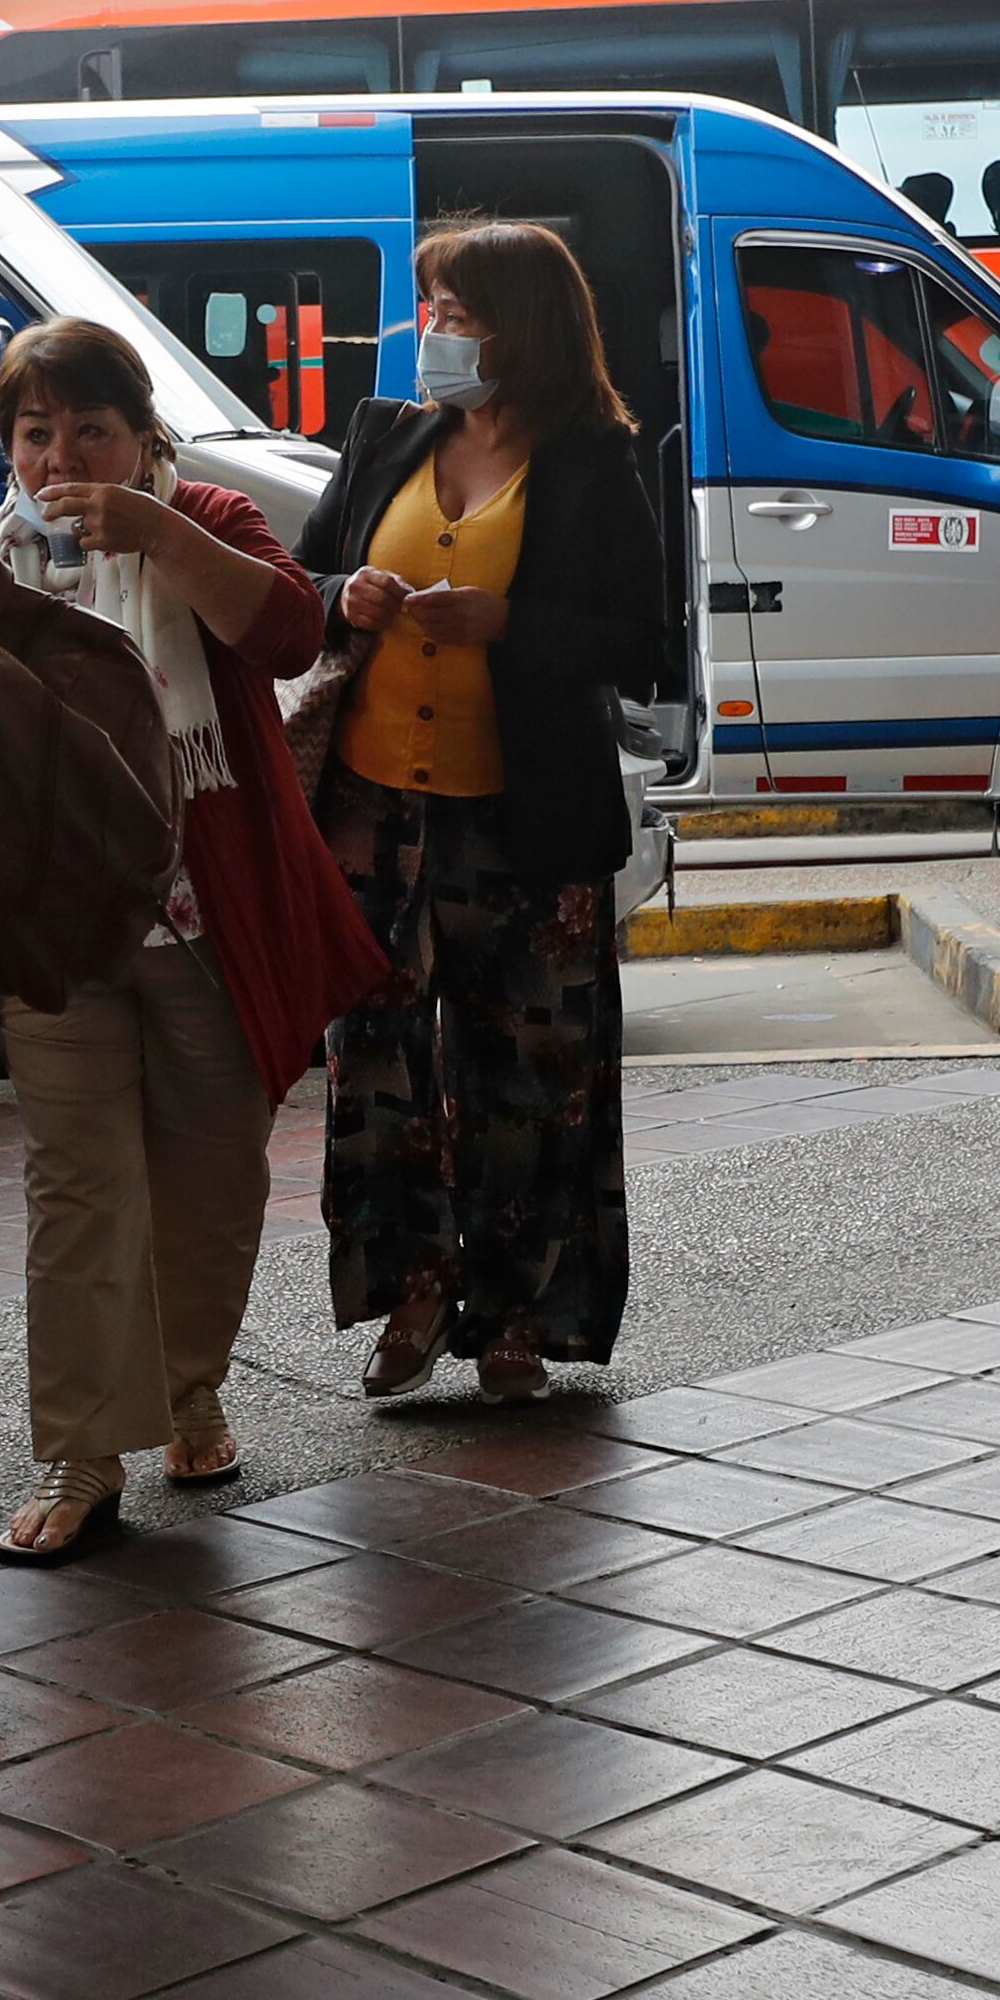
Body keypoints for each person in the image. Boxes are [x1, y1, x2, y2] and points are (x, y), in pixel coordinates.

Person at [0, 322, 387, 1562]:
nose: (59, 458)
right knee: (74, 1183)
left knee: (209, 1176)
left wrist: (158, 534)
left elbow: (289, 632)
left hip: (207, 914)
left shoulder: (203, 515)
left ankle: (188, 1385)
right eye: (35, 432)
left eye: (90, 429)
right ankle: (81, 1448)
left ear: (141, 434)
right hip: (55, 928)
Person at [298, 222, 666, 1405]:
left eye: (456, 314)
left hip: (528, 822)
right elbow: (298, 579)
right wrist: (341, 593)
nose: (433, 334)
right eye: (432, 311)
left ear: (523, 328)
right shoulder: (383, 433)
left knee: (530, 1072)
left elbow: (643, 640)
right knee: (375, 1067)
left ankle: (517, 1314)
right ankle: (411, 1292)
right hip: (374, 820)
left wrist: (509, 624)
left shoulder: (591, 458)